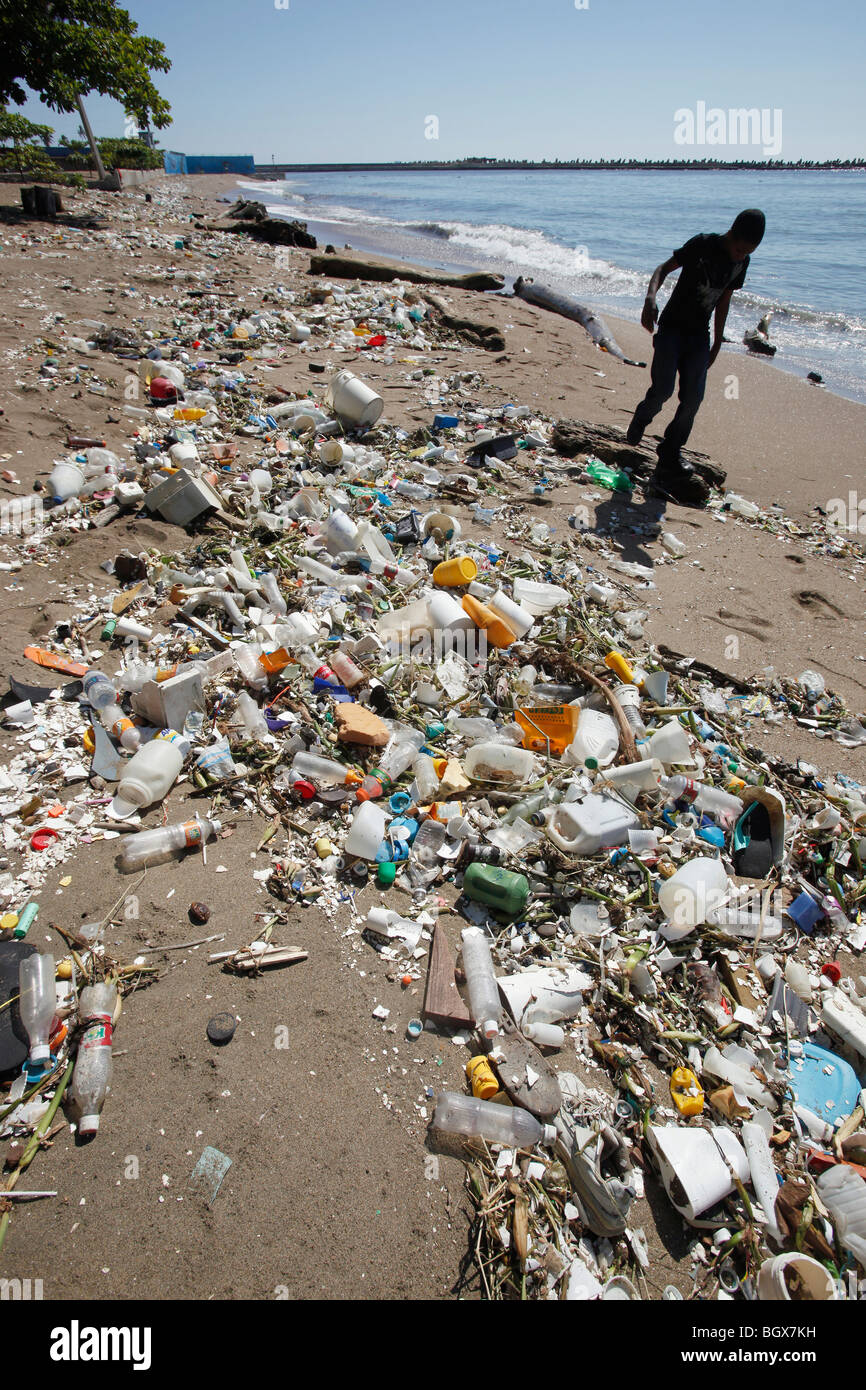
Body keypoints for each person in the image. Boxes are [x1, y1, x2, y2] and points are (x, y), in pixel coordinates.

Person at [627, 208, 766, 505]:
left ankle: (670, 451)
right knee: (663, 389)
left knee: (693, 398)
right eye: (740, 249)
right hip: (672, 329)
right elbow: (662, 269)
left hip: (699, 336)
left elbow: (724, 300)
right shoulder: (702, 244)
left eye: (749, 252)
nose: (741, 256)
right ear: (731, 234)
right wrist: (650, 298)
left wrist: (718, 341)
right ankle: (642, 416)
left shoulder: (742, 262)